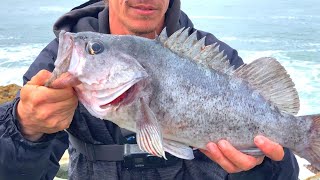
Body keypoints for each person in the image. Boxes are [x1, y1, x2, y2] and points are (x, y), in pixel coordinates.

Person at [0, 0, 299, 179]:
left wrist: (257, 167)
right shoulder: (61, 60)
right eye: (95, 50)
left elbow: (284, 172)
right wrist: (25, 127)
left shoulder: (214, 55)